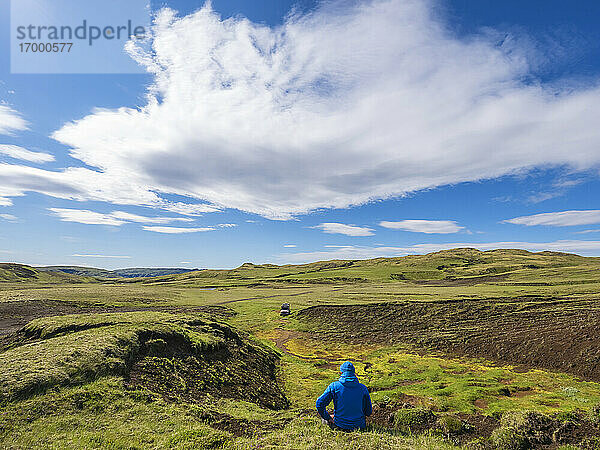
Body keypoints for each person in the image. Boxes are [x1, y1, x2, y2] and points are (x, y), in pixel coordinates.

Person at [315, 361, 372, 431]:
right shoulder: (363, 388)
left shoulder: (334, 386)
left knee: (324, 419)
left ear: (341, 373)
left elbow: (319, 403)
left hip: (339, 425)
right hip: (359, 426)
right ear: (354, 373)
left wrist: (328, 417)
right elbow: (368, 412)